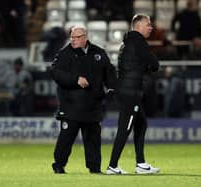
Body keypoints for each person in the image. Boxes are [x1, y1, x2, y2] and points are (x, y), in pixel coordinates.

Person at [49, 26, 116, 174]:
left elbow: (109, 72)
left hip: (93, 105)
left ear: (85, 37)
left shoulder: (98, 53)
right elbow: (56, 73)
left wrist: (111, 88)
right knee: (66, 139)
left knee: (93, 140)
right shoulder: (64, 54)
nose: (73, 40)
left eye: (77, 37)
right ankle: (59, 165)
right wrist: (75, 79)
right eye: (72, 37)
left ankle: (95, 168)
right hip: (71, 105)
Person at [106, 14, 160, 174]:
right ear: (138, 27)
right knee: (125, 128)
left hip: (127, 90)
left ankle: (141, 163)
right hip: (130, 92)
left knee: (141, 123)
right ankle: (112, 165)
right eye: (148, 25)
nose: (151, 27)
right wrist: (148, 67)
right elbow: (154, 64)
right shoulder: (138, 41)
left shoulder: (128, 42)